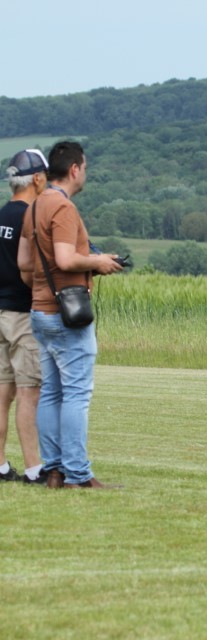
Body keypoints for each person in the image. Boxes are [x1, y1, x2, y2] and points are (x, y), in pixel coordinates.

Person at [17, 141, 124, 489]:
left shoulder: (34, 206)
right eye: (85, 168)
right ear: (75, 169)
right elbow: (64, 259)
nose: (85, 173)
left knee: (51, 392)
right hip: (67, 314)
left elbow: (24, 263)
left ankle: (54, 471)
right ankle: (78, 474)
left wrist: (41, 289)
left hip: (39, 311)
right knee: (77, 393)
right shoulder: (62, 207)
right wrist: (98, 262)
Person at [0, 150, 47, 484]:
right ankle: (34, 469)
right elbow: (31, 269)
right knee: (29, 393)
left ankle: (1, 465)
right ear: (38, 179)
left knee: (3, 393)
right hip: (21, 314)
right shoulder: (30, 218)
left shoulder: (2, 214)